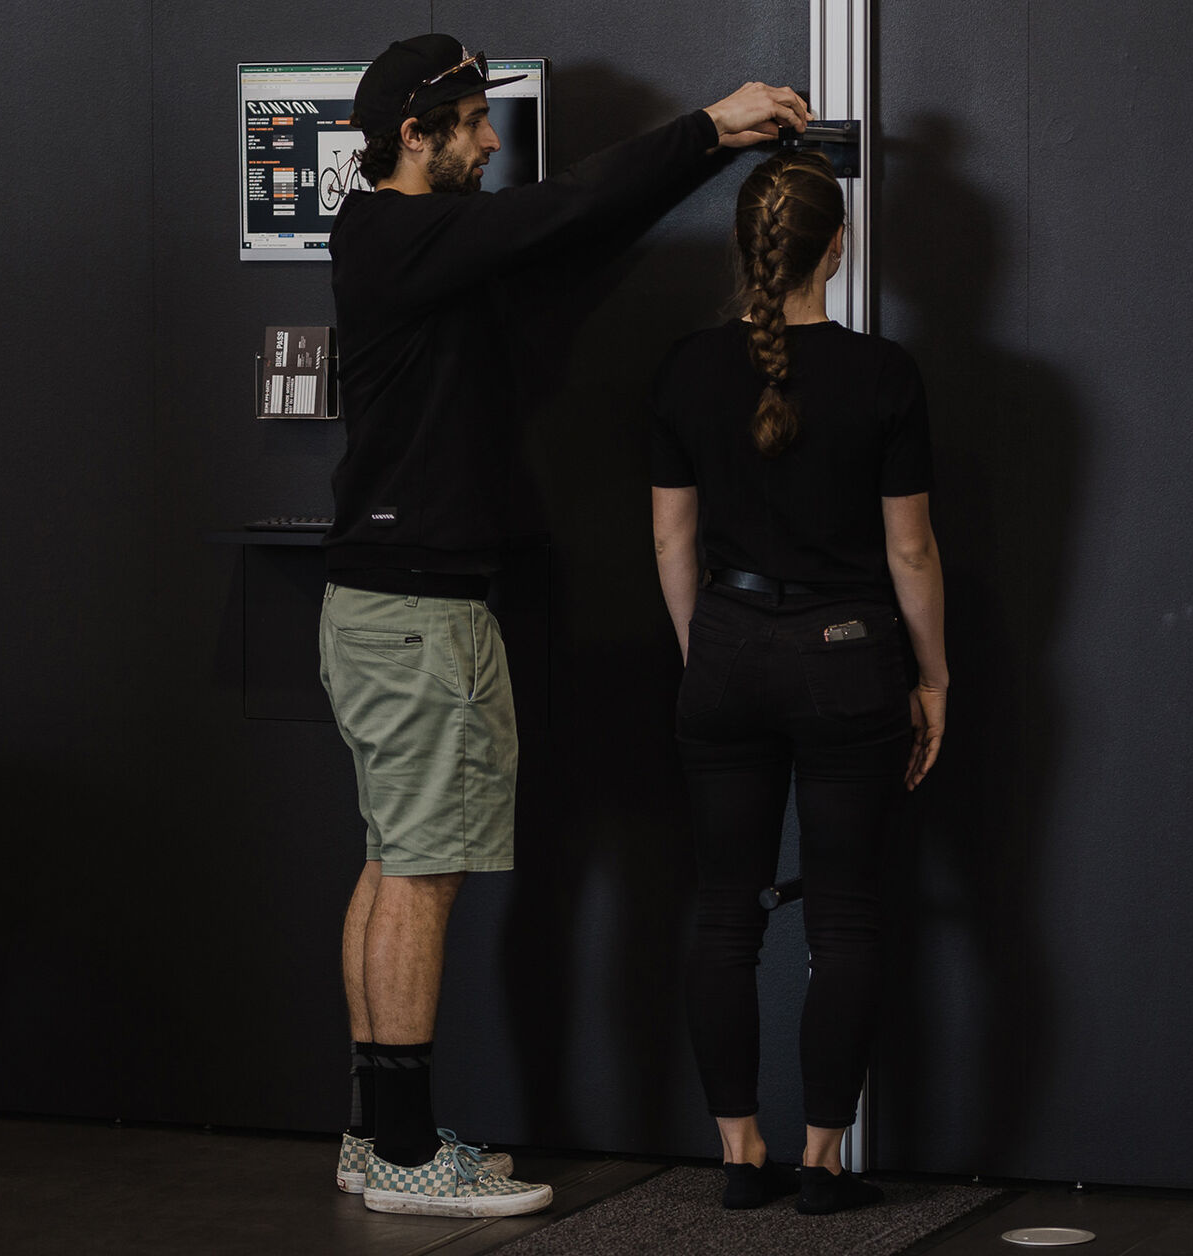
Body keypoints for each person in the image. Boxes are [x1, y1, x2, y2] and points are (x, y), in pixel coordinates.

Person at [321, 31, 810, 1219]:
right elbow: (566, 209)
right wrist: (709, 126)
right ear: (412, 134)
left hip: (393, 606)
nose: (492, 141)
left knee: (394, 862)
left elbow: (571, 223)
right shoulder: (398, 233)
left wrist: (705, 147)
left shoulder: (405, 240)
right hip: (419, 615)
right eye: (473, 123)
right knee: (421, 874)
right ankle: (396, 1155)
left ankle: (376, 1132)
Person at [648, 149, 948, 1215]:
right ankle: (821, 1163)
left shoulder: (685, 367)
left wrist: (707, 646)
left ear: (745, 250)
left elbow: (672, 538)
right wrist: (935, 677)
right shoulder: (885, 374)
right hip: (849, 655)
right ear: (838, 247)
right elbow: (910, 554)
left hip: (724, 646)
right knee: (847, 921)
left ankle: (739, 1154)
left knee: (724, 915)